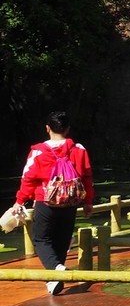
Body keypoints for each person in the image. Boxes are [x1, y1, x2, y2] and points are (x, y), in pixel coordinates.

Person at [11, 111, 94, 295]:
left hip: (45, 201)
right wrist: (88, 201)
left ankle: (56, 270)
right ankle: (54, 280)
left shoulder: (38, 151)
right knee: (62, 240)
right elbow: (87, 177)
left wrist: (20, 200)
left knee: (41, 240)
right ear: (68, 129)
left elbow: (28, 178)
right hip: (70, 202)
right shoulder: (79, 149)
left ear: (47, 128)